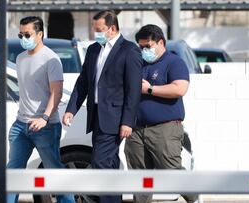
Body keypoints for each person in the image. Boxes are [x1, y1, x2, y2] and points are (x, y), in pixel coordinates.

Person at [62, 10, 143, 203]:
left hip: (115, 118)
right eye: (94, 29)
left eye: (99, 29)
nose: (95, 33)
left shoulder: (129, 50)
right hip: (97, 115)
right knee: (110, 164)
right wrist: (71, 109)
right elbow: (83, 83)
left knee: (100, 161)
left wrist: (127, 122)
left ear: (112, 28)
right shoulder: (93, 50)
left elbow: (133, 90)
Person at [124, 24, 197, 203]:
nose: (143, 50)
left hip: (164, 129)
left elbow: (180, 89)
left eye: (147, 46)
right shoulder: (137, 64)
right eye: (140, 47)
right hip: (137, 130)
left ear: (161, 43)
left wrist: (149, 89)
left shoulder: (174, 62)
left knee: (171, 172)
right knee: (139, 178)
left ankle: (194, 197)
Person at [6, 16, 75, 203]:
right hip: (21, 125)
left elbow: (57, 92)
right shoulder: (20, 58)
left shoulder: (50, 59)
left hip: (46, 126)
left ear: (40, 34)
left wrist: (44, 118)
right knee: (13, 172)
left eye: (27, 34)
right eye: (21, 34)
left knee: (54, 172)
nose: (23, 38)